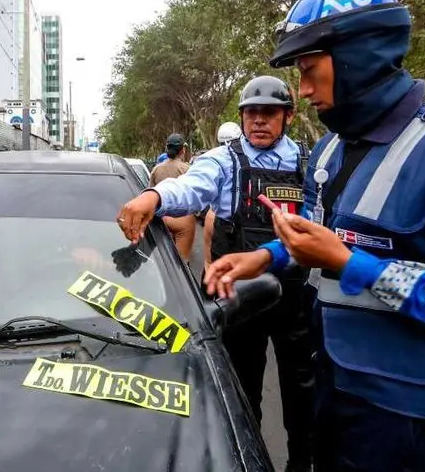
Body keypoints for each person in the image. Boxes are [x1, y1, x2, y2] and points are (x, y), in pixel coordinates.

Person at [205, 0, 425, 472]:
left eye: (311, 70)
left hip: (408, 430)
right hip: (331, 397)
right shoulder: (333, 149)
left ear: (360, 59)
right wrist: (265, 256)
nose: (304, 90)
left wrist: (355, 265)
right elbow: (323, 237)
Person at [117, 77, 314, 472]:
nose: (259, 121)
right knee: (241, 393)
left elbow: (319, 219)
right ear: (241, 117)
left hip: (295, 299)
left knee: (304, 394)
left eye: (269, 113)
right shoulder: (224, 160)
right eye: (251, 113)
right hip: (237, 298)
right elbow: (190, 188)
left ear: (288, 117)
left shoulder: (308, 164)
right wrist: (154, 197)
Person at [203, 122, 245, 270]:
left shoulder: (215, 158)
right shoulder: (247, 158)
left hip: (217, 216)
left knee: (211, 264)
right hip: (232, 222)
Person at [148, 133, 196, 262]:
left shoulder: (156, 169)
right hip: (182, 219)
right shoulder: (187, 169)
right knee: (182, 262)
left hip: (161, 217)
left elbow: (150, 191)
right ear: (182, 150)